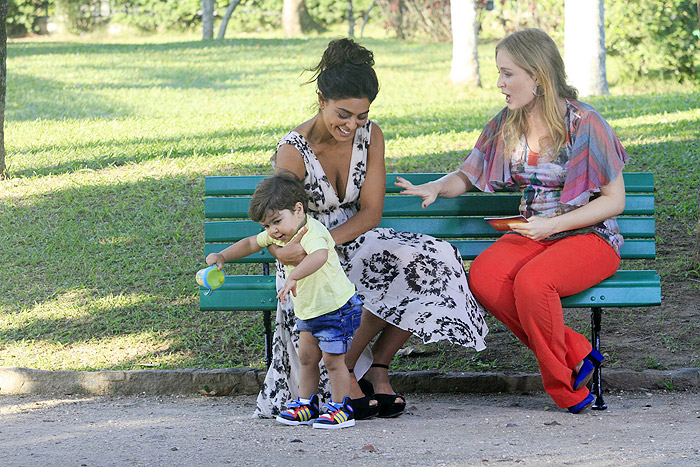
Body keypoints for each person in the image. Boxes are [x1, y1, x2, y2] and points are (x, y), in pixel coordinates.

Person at [396, 28, 628, 414]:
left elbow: (614, 201)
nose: (499, 83)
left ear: (537, 75)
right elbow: (468, 174)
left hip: (589, 236)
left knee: (534, 283)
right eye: (499, 73)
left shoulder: (585, 123)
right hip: (534, 232)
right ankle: (574, 351)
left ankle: (565, 389)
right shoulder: (508, 123)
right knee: (485, 277)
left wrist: (553, 226)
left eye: (508, 73)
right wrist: (436, 186)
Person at [254, 38, 489, 419]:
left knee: (435, 259)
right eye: (343, 114)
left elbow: (371, 212)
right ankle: (346, 373)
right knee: (366, 272)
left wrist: (328, 242)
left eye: (361, 116)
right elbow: (277, 220)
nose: (352, 125)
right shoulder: (293, 150)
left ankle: (374, 366)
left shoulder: (371, 135)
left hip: (353, 237)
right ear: (321, 100)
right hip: (307, 251)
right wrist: (285, 253)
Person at [206, 171, 362, 429]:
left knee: (334, 362)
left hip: (335, 308)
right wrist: (223, 256)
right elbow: (249, 244)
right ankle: (306, 404)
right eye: (267, 226)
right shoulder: (281, 232)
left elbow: (319, 257)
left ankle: (341, 408)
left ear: (298, 209)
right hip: (309, 310)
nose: (272, 231)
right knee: (307, 358)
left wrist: (294, 277)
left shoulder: (313, 232)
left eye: (276, 222)